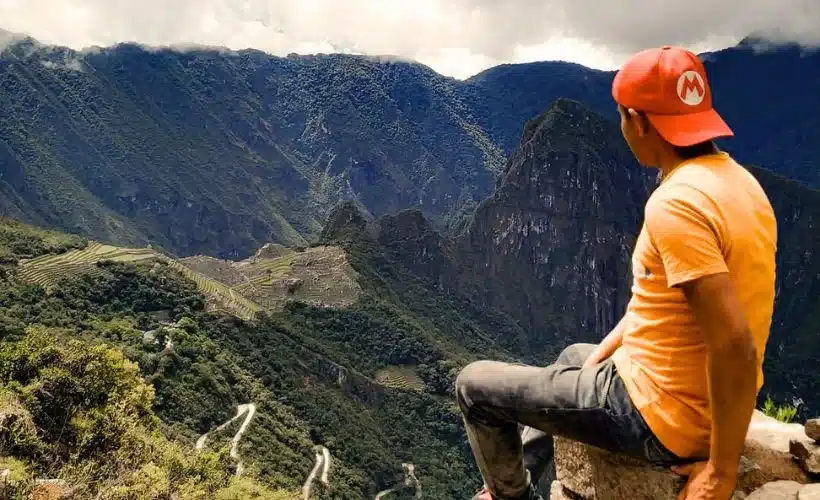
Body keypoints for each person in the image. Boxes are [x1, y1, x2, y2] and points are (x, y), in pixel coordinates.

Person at [455, 45, 777, 500]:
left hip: (657, 418)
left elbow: (734, 347)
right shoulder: (739, 185)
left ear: (638, 120)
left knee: (473, 386)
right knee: (576, 354)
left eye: (623, 118)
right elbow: (675, 292)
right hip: (683, 397)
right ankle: (527, 466)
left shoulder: (677, 205)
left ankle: (512, 495)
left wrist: (721, 472)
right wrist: (617, 343)